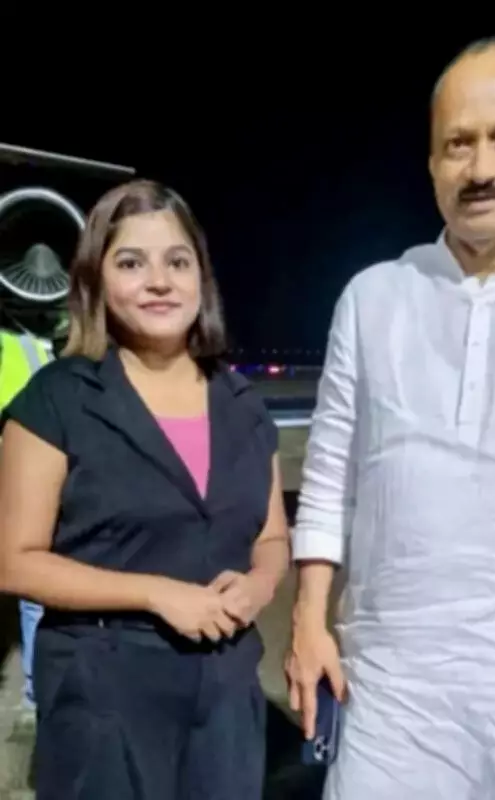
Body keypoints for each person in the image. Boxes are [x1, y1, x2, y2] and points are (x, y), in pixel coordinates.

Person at [285, 36, 495, 800]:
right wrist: (308, 622)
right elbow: (331, 478)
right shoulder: (372, 298)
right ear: (432, 159)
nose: (481, 168)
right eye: (458, 144)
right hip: (389, 688)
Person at [0, 179, 289, 800]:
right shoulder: (57, 400)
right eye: (131, 263)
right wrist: (156, 594)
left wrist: (260, 585)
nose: (159, 281)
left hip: (225, 696)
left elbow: (270, 538)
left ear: (201, 279)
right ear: (96, 280)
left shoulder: (243, 406)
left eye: (177, 262)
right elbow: (14, 561)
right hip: (106, 695)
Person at [0, 330, 51, 710]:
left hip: (24, 477)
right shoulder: (31, 348)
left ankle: (36, 693)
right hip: (25, 478)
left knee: (33, 590)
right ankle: (36, 694)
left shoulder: (27, 347)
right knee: (34, 594)